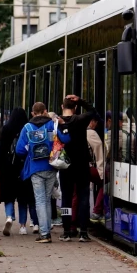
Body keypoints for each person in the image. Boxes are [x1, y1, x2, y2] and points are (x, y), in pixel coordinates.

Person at [16, 102, 70, 242]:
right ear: (45, 111)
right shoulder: (52, 125)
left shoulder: (27, 127)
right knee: (46, 200)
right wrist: (63, 125)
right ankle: (47, 230)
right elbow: (66, 139)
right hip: (51, 166)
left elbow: (19, 150)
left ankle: (44, 233)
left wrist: (30, 152)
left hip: (35, 168)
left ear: (33, 113)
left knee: (39, 200)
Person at [59, 95, 98, 242]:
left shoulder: (56, 121)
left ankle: (67, 231)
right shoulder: (81, 120)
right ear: (75, 108)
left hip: (65, 165)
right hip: (82, 165)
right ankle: (83, 232)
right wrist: (81, 100)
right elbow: (93, 112)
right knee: (83, 198)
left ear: (62, 107)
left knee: (67, 198)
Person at [0, 107, 29, 236]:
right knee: (23, 198)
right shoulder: (27, 128)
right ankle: (23, 226)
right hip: (23, 166)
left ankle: (9, 216)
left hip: (7, 167)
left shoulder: (6, 129)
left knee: (8, 196)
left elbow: (1, 150)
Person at [87, 118, 105, 221]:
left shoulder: (77, 129)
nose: (96, 124)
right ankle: (97, 211)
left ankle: (73, 223)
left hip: (74, 167)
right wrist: (101, 173)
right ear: (92, 121)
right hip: (88, 168)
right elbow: (99, 153)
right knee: (107, 182)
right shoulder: (91, 133)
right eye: (96, 122)